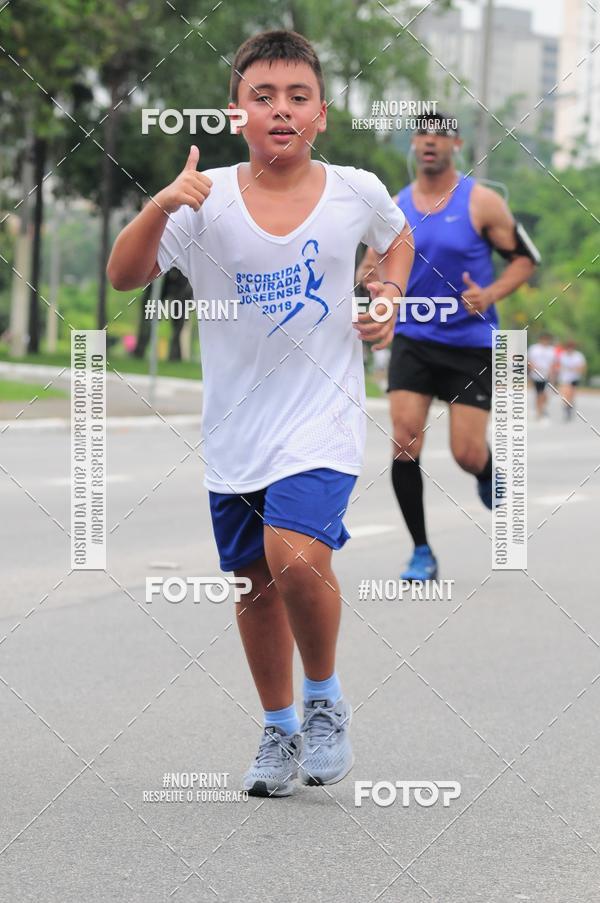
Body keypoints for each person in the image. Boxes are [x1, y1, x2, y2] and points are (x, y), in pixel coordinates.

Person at [107, 30, 413, 796]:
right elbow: (123, 275)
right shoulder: (203, 199)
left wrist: (388, 293)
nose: (281, 109)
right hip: (235, 428)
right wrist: (160, 205)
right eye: (263, 96)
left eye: (298, 96)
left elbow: (397, 238)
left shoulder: (356, 189)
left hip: (323, 417)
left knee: (297, 556)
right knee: (254, 584)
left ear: (322, 114)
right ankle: (278, 727)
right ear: (235, 111)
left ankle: (324, 700)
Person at [357, 111, 539, 581]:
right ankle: (422, 552)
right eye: (422, 133)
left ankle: (485, 473)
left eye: (440, 134)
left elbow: (523, 261)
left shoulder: (482, 203)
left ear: (456, 143)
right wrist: (375, 288)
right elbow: (368, 270)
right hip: (415, 340)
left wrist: (490, 294)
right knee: (404, 440)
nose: (430, 141)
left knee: (466, 453)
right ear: (414, 144)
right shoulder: (393, 207)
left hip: (470, 344)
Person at [528, 332, 557, 420]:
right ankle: (539, 411)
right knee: (539, 393)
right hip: (536, 374)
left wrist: (552, 374)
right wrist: (532, 368)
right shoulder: (534, 348)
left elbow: (554, 363)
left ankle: (541, 408)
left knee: (546, 393)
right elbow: (529, 360)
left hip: (547, 374)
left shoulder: (552, 350)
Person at [557, 339, 586, 421]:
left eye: (571, 347)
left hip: (574, 378)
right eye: (568, 347)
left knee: (571, 395)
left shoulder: (578, 356)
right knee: (566, 393)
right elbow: (558, 365)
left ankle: (569, 407)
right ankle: (566, 408)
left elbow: (582, 367)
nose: (570, 349)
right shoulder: (562, 355)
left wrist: (577, 370)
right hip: (564, 378)